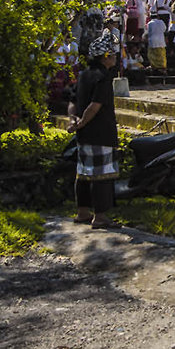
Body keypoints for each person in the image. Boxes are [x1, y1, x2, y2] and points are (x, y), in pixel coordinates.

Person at [66, 31, 121, 230]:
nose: (115, 57)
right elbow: (95, 106)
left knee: (83, 174)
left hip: (84, 134)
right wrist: (81, 122)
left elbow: (72, 102)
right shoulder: (102, 78)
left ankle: (82, 212)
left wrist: (74, 120)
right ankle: (100, 216)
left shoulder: (83, 75)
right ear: (106, 56)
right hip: (100, 132)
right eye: (113, 54)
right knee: (102, 176)